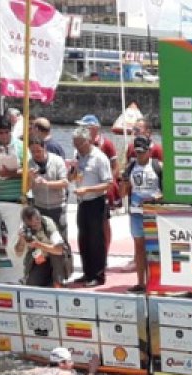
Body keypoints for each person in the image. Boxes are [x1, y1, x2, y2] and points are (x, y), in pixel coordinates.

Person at [119, 135, 163, 292]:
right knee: (139, 248)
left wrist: (154, 200)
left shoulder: (158, 166)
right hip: (136, 213)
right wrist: (123, 184)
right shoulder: (131, 167)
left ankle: (156, 281)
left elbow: (165, 193)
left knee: (155, 248)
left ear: (149, 150)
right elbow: (122, 194)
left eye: (142, 152)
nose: (140, 155)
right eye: (137, 152)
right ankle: (141, 283)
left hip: (154, 214)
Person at [70, 127, 111, 287]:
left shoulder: (99, 158)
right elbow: (72, 177)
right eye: (75, 144)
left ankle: (98, 275)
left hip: (96, 201)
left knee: (96, 240)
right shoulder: (78, 156)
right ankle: (87, 272)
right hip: (82, 202)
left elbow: (108, 183)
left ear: (88, 141)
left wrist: (88, 189)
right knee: (83, 238)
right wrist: (72, 173)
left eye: (79, 144)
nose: (77, 148)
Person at [76, 114, 118, 249]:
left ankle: (105, 249)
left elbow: (115, 167)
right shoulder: (80, 145)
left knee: (104, 222)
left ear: (94, 128)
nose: (82, 129)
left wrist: (109, 186)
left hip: (103, 190)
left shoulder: (106, 144)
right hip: (84, 193)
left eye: (85, 127)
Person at [27, 137, 69, 242]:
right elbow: (27, 188)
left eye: (38, 151)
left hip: (57, 208)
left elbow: (64, 183)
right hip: (39, 207)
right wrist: (31, 179)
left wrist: (46, 183)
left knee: (60, 240)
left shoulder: (57, 161)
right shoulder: (29, 163)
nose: (36, 154)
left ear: (45, 148)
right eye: (33, 151)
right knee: (42, 240)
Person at [15, 206, 67, 287]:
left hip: (56, 259)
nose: (33, 228)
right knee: (31, 285)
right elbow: (18, 253)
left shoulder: (48, 225)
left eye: (35, 225)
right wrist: (21, 240)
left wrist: (37, 244)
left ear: (39, 219)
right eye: (30, 226)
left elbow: (60, 250)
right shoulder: (25, 229)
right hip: (40, 259)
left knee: (55, 286)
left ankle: (57, 280)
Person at [20, 346, 99, 375]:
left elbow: (21, 373)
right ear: (61, 363)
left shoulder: (42, 369)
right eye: (70, 361)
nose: (73, 363)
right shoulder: (67, 374)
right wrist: (92, 370)